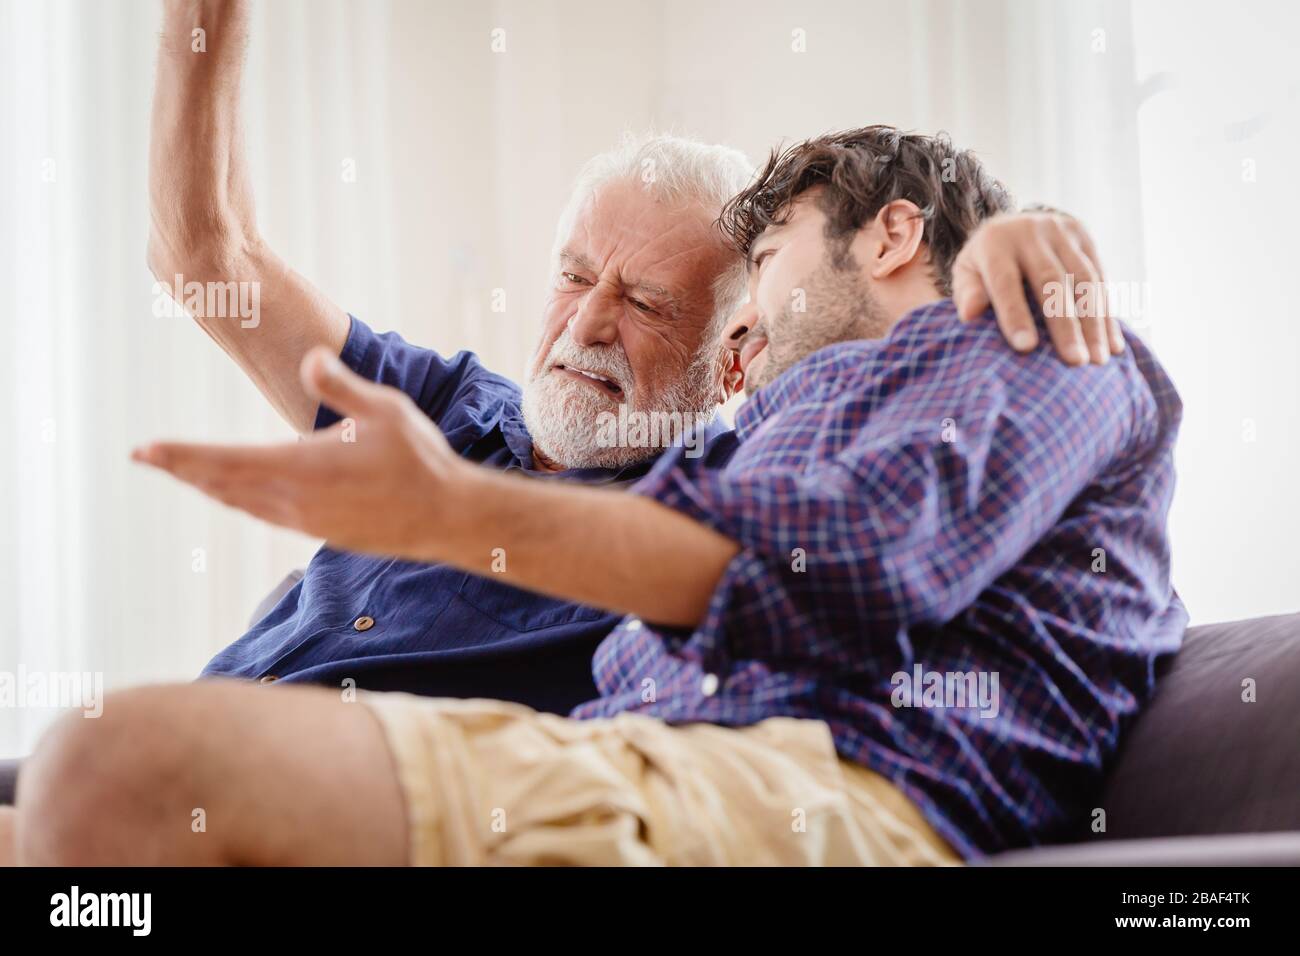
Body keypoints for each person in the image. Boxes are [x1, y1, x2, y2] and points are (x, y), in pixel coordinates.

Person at [3, 126, 1179, 867]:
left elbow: (853, 560)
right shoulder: (750, 436)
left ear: (891, 235)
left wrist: (451, 513)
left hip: (797, 789)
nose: (751, 331)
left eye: (761, 265)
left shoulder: (1032, 338)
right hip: (636, 763)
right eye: (571, 275)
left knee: (115, 771)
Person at [148, 0, 1117, 713]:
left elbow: (903, 396)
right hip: (185, 749)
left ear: (731, 353)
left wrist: (1016, 238)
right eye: (574, 276)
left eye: (647, 302)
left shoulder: (726, 495)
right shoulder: (449, 404)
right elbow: (204, 257)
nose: (587, 321)